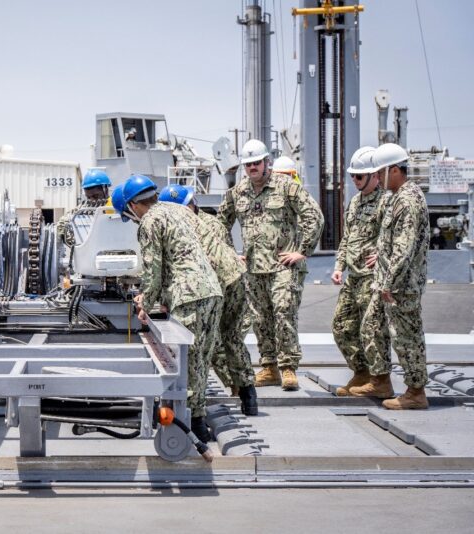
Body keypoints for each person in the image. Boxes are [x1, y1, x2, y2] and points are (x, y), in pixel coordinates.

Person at [114, 176, 223, 442]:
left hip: (188, 296)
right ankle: (198, 426)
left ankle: (186, 431)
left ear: (133, 206)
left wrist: (146, 304)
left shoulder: (149, 221)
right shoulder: (177, 210)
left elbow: (153, 270)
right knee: (201, 362)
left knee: (184, 364)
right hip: (212, 290)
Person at [218, 139, 324, 391]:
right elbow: (220, 222)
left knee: (284, 313)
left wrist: (302, 251)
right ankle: (269, 367)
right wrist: (231, 254)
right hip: (254, 269)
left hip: (282, 267)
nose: (253, 168)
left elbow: (314, 216)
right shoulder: (238, 192)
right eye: (248, 164)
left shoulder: (286, 187)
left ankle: (288, 368)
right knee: (260, 319)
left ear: (267, 162)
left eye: (257, 163)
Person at [159, 184, 257, 415]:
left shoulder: (184, 227)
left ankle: (203, 404)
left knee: (206, 345)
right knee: (231, 338)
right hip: (233, 280)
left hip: (214, 286)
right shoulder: (213, 223)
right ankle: (247, 394)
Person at [351, 143, 430, 409]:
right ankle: (380, 380)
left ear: (394, 170)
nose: (376, 177)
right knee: (371, 326)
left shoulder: (407, 200)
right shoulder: (395, 196)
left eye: (380, 172)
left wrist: (388, 282)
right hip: (387, 281)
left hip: (400, 286)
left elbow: (404, 249)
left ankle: (416, 392)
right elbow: (391, 242)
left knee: (406, 336)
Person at [330, 147, 391, 396]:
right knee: (341, 325)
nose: (355, 180)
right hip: (353, 276)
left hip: (372, 277)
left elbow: (395, 235)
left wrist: (383, 254)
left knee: (372, 328)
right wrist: (338, 266)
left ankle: (381, 380)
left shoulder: (386, 201)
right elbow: (348, 238)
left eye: (359, 176)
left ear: (374, 175)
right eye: (353, 176)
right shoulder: (355, 202)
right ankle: (361, 372)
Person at [56, 168, 111, 247]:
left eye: (95, 196)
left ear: (105, 190)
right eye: (88, 197)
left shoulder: (116, 206)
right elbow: (62, 223)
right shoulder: (82, 208)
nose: (92, 200)